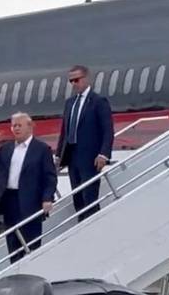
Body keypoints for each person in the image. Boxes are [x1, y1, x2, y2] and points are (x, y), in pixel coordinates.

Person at [0, 112, 57, 263]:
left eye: (19, 125)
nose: (16, 129)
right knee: (12, 241)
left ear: (30, 127)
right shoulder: (7, 148)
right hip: (10, 199)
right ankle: (15, 268)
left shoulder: (41, 149)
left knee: (31, 241)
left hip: (31, 201)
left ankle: (31, 268)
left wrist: (47, 198)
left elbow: (50, 177)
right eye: (14, 126)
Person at [56, 65, 114, 221]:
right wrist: (58, 155)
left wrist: (103, 153)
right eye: (71, 81)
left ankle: (93, 225)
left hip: (90, 157)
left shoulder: (98, 102)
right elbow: (65, 131)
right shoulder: (70, 103)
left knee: (90, 196)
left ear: (86, 79)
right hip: (72, 156)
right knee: (78, 197)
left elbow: (107, 130)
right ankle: (82, 223)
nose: (74, 84)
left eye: (76, 80)